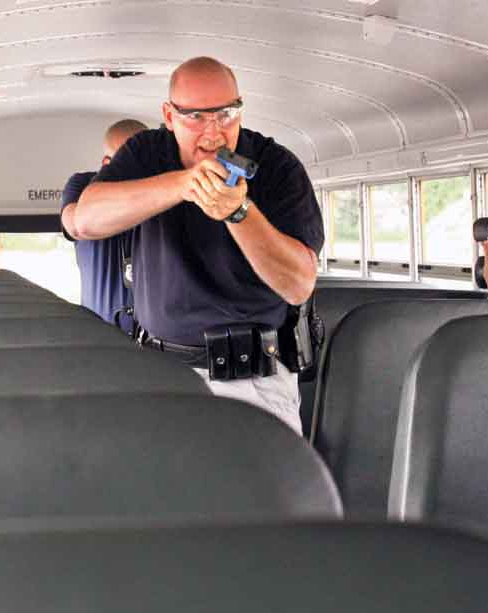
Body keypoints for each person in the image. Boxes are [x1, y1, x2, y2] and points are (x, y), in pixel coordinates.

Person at [73, 57, 323, 434]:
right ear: (169, 116)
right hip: (159, 376)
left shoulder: (277, 166)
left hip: (251, 379)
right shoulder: (146, 153)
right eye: (195, 118)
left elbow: (298, 284)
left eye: (226, 115)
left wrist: (239, 212)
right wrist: (182, 185)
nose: (214, 134)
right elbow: (85, 221)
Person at [61, 119, 148, 333]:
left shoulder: (162, 191)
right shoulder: (81, 184)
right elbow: (75, 225)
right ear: (106, 163)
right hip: (100, 334)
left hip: (158, 339)